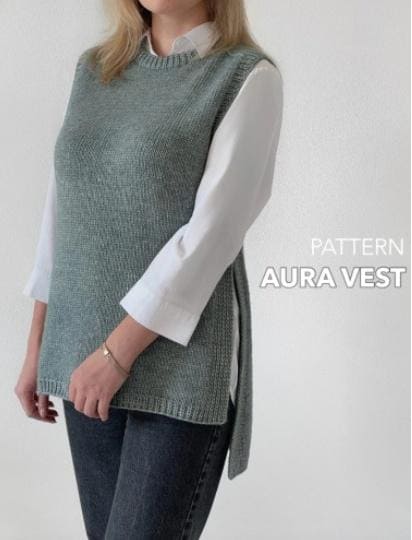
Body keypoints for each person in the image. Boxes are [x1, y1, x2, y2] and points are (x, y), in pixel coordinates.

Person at [15, 0, 283, 538]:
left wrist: (115, 356)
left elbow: (211, 237)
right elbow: (63, 215)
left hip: (178, 367)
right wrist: (38, 346)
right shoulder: (96, 69)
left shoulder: (245, 76)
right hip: (82, 358)